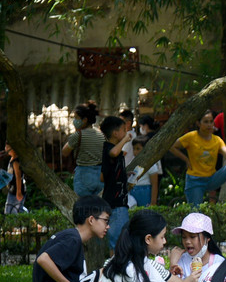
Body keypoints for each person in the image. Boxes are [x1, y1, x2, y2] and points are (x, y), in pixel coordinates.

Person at [32, 196, 110, 282]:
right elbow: (43, 259)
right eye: (106, 220)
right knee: (108, 274)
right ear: (91, 220)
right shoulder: (73, 239)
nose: (108, 226)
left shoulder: (71, 237)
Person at [170, 109, 226, 205]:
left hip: (211, 179)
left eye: (211, 121)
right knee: (195, 213)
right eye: (205, 122)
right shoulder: (191, 137)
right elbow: (172, 147)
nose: (209, 125)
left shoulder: (217, 140)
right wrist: (186, 160)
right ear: (198, 123)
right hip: (195, 181)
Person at [167, 213, 226, 282]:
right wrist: (173, 264)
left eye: (192, 237)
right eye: (184, 237)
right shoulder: (182, 261)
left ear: (207, 238)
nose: (187, 241)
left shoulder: (218, 263)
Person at [99, 115, 132, 249]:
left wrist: (124, 175)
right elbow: (113, 152)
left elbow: (105, 175)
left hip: (117, 201)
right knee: (118, 241)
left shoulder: (114, 152)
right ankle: (116, 267)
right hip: (115, 202)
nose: (126, 133)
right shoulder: (109, 148)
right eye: (124, 130)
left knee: (120, 240)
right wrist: (125, 140)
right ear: (115, 133)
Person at [62, 101, 105, 197]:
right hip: (100, 174)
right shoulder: (101, 135)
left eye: (76, 118)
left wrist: (76, 132)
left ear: (84, 120)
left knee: (84, 206)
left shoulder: (78, 135)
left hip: (84, 174)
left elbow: (64, 152)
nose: (74, 121)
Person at [127, 137, 161, 207]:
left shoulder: (151, 165)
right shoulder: (132, 163)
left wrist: (153, 203)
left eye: (138, 149)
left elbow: (154, 185)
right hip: (133, 191)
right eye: (134, 149)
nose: (135, 152)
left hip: (145, 192)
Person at [4, 143, 26, 214]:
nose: (6, 148)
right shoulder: (12, 159)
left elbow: (18, 176)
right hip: (12, 189)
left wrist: (18, 192)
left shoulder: (15, 161)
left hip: (16, 189)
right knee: (17, 210)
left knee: (10, 212)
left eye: (7, 147)